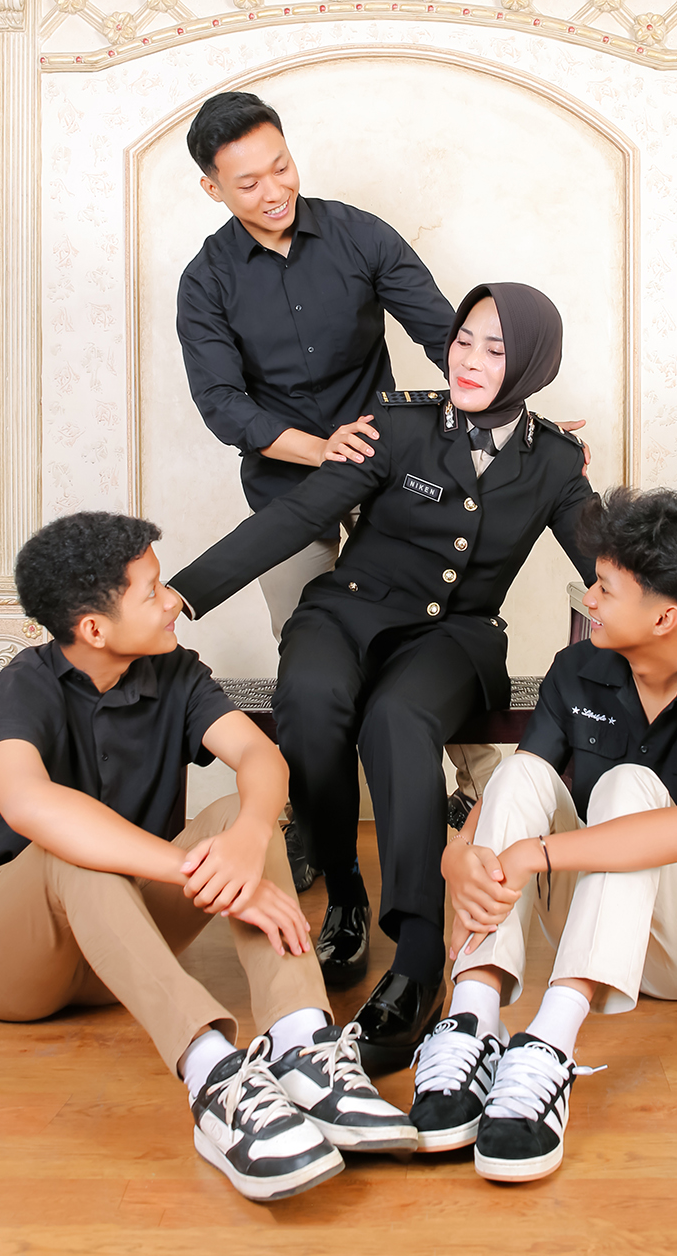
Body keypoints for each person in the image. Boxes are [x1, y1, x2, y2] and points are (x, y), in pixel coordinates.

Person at [169, 284, 677, 1072]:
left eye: (497, 349)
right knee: (312, 701)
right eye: (465, 340)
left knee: (397, 719)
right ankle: (348, 906)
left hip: (455, 637)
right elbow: (294, 518)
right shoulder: (397, 425)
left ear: (530, 363)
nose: (470, 359)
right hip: (348, 611)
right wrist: (184, 591)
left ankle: (420, 955)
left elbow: (609, 563)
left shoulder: (555, 463)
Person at [0, 512, 415, 1205]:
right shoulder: (24, 687)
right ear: (94, 629)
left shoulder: (178, 674)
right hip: (13, 963)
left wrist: (251, 835)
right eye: (153, 591)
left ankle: (302, 1045)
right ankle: (215, 1079)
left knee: (233, 817)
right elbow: (30, 806)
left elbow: (259, 756)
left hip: (128, 940)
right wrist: (196, 873)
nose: (174, 602)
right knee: (69, 850)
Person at [177, 91, 513, 888]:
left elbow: (445, 335)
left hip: (391, 470)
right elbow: (224, 403)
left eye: (282, 166)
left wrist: (517, 416)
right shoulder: (207, 280)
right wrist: (320, 449)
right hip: (288, 490)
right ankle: (313, 826)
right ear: (213, 189)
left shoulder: (360, 234)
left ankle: (476, 802)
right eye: (249, 181)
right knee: (311, 665)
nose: (275, 190)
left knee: (428, 627)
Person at [411, 487, 677, 1183]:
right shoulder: (576, 668)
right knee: (516, 780)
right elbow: (521, 790)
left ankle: (549, 1043)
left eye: (605, 588)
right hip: (600, 925)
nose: (590, 599)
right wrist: (461, 853)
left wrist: (538, 853)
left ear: (668, 617)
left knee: (629, 789)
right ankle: (474, 1017)